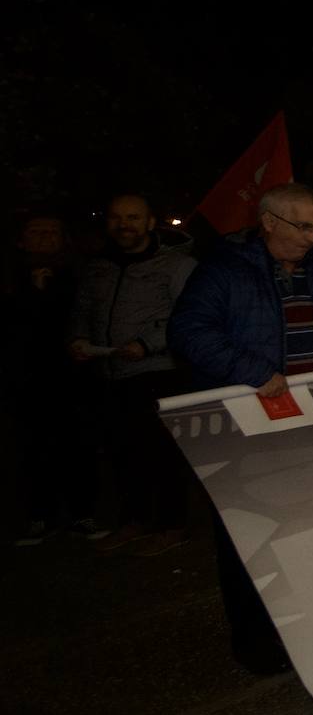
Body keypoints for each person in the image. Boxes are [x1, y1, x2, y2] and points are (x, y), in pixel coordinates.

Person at [169, 182, 313, 674]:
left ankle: (304, 626)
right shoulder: (224, 271)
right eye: (302, 226)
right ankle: (257, 643)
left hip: (310, 424)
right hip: (249, 428)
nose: (312, 238)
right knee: (250, 531)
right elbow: (188, 332)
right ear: (269, 222)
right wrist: (253, 370)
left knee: (307, 524)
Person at [68, 193, 197, 555]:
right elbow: (82, 310)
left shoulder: (175, 265)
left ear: (150, 222)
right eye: (117, 217)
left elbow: (187, 315)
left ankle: (173, 524)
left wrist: (148, 343)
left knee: (163, 452)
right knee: (122, 451)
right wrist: (77, 339)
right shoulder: (97, 267)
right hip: (109, 372)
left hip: (157, 372)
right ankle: (134, 520)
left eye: (133, 217)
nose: (125, 225)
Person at [4, 213, 103, 544]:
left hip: (72, 376)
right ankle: (39, 515)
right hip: (25, 378)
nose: (46, 238)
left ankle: (82, 512)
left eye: (53, 232)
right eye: (37, 231)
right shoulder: (10, 278)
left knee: (77, 443)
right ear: (21, 238)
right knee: (32, 446)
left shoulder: (80, 275)